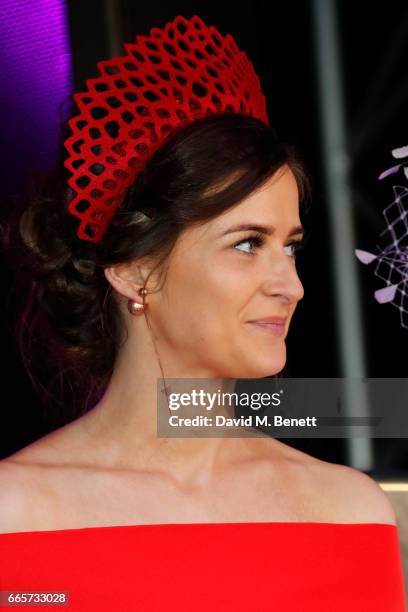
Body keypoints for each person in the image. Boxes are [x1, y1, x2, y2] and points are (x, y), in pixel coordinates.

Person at [0, 14, 405, 611]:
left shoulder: (348, 510)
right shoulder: (17, 513)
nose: (290, 284)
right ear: (133, 268)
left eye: (289, 246)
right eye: (247, 243)